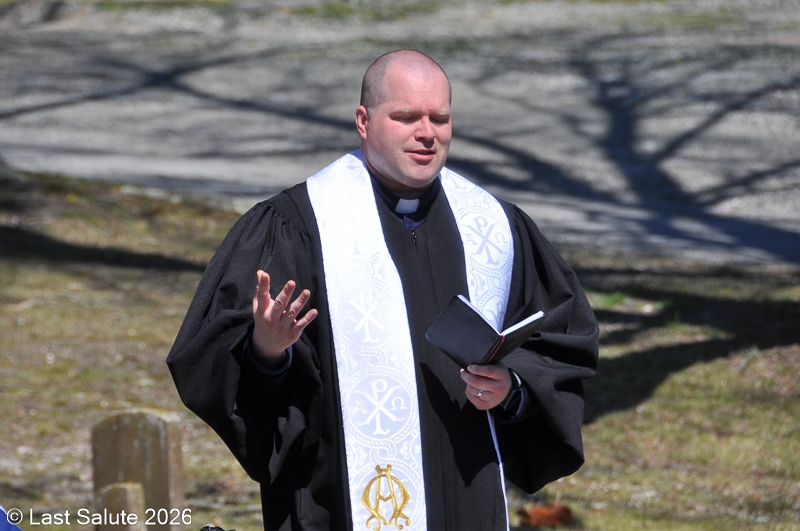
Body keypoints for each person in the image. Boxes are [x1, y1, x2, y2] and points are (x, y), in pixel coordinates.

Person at [167, 49, 599, 531]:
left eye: (440, 118)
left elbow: (559, 340)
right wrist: (266, 351)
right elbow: (216, 370)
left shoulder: (495, 228)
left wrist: (513, 387)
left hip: (470, 498)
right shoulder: (299, 226)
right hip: (341, 505)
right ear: (364, 121)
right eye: (406, 117)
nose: (427, 133)